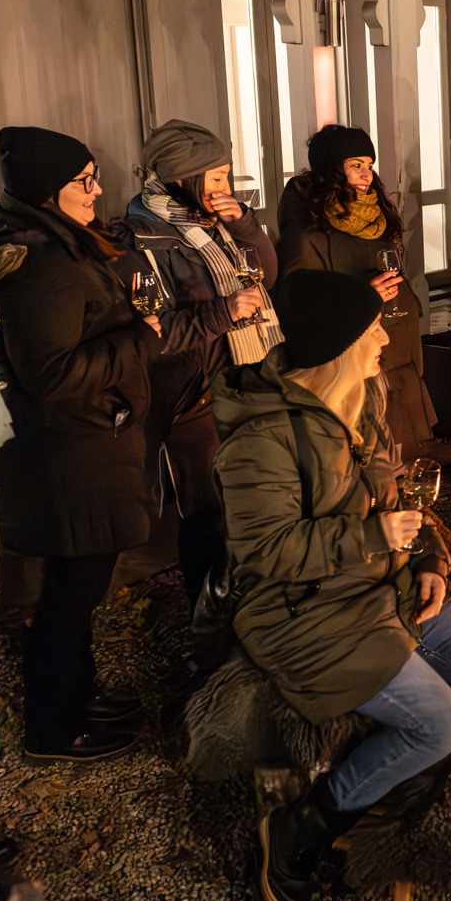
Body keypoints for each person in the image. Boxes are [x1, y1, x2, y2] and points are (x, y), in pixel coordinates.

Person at [231, 269, 451, 901]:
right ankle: (301, 829)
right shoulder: (265, 439)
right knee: (439, 720)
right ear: (337, 343)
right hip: (313, 619)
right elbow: (267, 554)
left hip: (388, 594)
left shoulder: (364, 400)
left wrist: (425, 562)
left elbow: (397, 505)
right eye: (371, 327)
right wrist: (369, 536)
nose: (385, 336)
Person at [0, 126, 164, 764]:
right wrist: (143, 338)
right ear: (50, 191)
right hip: (71, 454)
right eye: (85, 180)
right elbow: (49, 374)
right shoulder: (44, 261)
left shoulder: (43, 241)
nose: (98, 189)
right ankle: (54, 730)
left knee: (74, 588)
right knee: (71, 595)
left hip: (75, 448)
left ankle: (77, 698)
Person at [118, 119, 280, 598]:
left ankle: (253, 601)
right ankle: (208, 618)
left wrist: (244, 223)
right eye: (213, 179)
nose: (224, 189)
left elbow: (264, 275)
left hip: (242, 374)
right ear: (180, 179)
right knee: (207, 513)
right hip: (191, 393)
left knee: (252, 496)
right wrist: (221, 313)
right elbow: (152, 330)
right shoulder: (138, 238)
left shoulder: (213, 225)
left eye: (227, 176)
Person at [277, 124, 439, 453]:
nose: (366, 175)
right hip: (355, 364)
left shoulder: (375, 218)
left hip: (397, 351)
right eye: (355, 165)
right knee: (371, 458)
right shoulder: (308, 235)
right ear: (330, 170)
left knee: (404, 458)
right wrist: (362, 295)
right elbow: (299, 305)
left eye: (369, 165)